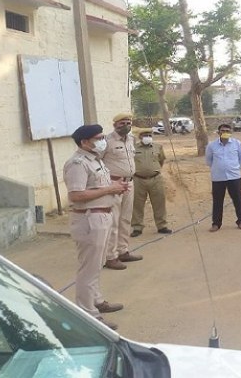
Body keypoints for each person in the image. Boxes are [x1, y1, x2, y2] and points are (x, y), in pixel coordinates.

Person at [64, 124, 127, 330]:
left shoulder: (96, 160)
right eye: (98, 138)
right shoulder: (77, 163)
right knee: (88, 269)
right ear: (84, 142)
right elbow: (76, 195)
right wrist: (109, 189)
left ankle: (97, 301)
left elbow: (97, 187)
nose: (103, 141)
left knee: (97, 264)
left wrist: (115, 188)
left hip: (102, 216)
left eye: (102, 138)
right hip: (89, 219)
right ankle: (88, 314)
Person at [102, 113, 142, 269]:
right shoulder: (106, 141)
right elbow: (98, 161)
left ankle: (123, 251)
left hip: (129, 183)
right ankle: (110, 256)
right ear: (115, 125)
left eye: (128, 123)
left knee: (125, 219)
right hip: (114, 184)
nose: (126, 126)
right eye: (122, 123)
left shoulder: (131, 139)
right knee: (113, 220)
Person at [206, 122, 241, 232]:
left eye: (227, 131)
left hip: (234, 177)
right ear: (218, 132)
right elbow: (209, 161)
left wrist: (233, 167)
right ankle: (216, 224)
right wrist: (219, 168)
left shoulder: (237, 144)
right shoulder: (211, 146)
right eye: (222, 131)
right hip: (218, 178)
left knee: (238, 199)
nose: (225, 133)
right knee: (217, 201)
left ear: (231, 132)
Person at [131, 128, 171, 237]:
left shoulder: (158, 147)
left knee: (159, 203)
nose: (147, 137)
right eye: (145, 135)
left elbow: (161, 160)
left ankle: (162, 226)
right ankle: (137, 227)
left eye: (149, 135)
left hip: (155, 179)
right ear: (140, 137)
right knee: (137, 204)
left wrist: (153, 170)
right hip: (138, 179)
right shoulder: (133, 148)